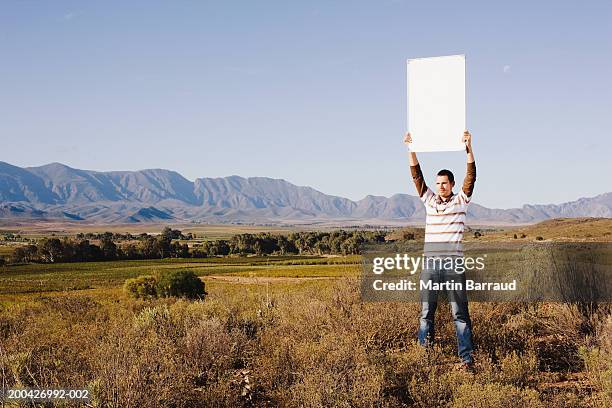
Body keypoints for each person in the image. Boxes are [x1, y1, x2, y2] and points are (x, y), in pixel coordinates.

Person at [404, 130, 476, 372]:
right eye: (438, 183)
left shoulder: (461, 201)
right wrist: (411, 148)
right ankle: (424, 357)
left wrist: (468, 148)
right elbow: (417, 177)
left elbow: (471, 178)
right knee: (426, 313)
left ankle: (466, 360)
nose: (440, 186)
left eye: (444, 183)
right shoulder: (429, 200)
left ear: (452, 184)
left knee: (460, 315)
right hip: (430, 266)